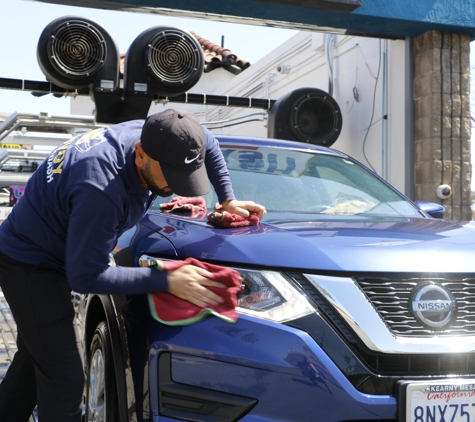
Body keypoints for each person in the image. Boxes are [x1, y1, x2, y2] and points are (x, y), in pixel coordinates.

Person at [0, 108, 266, 422]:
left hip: (57, 246)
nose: (178, 187)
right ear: (139, 155)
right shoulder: (100, 187)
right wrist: (167, 279)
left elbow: (210, 144)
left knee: (37, 360)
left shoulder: (170, 135)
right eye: (170, 176)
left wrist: (228, 199)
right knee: (65, 379)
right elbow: (86, 275)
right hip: (30, 262)